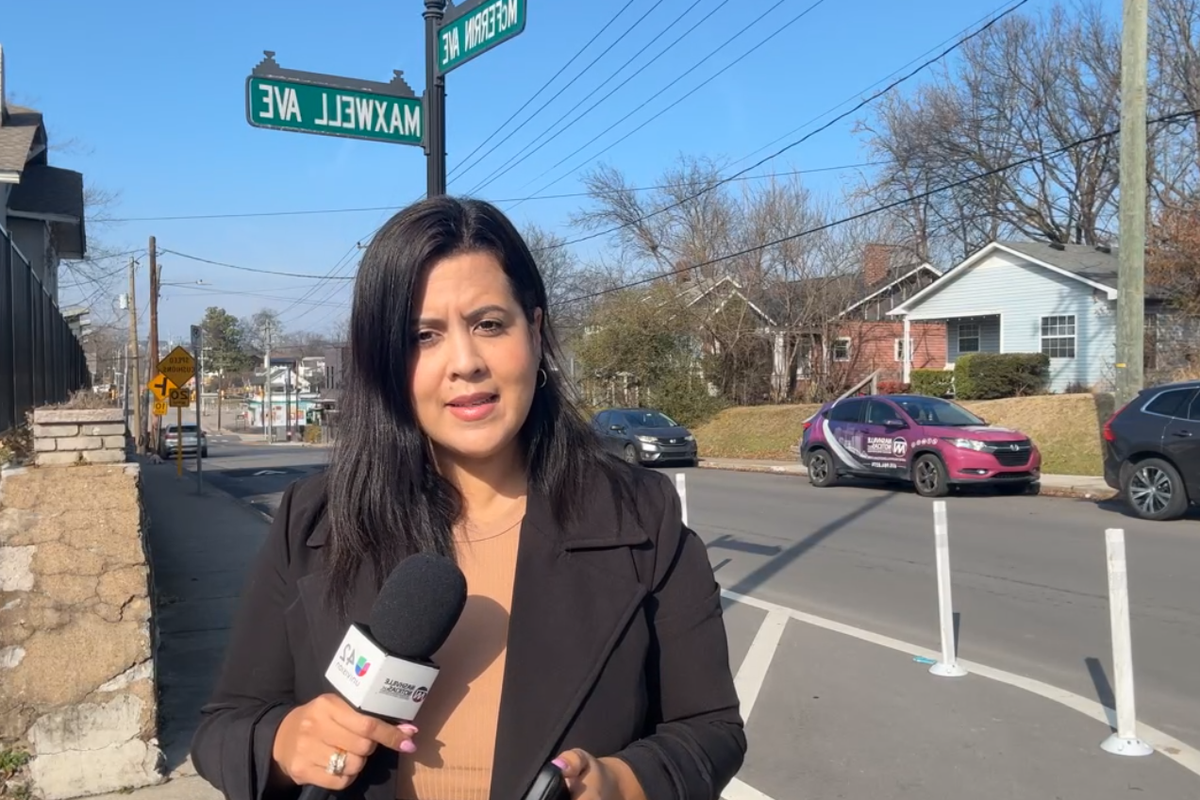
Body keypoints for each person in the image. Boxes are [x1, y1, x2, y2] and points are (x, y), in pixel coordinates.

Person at [190, 196, 746, 800]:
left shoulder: (643, 517)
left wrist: (623, 782)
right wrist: (283, 740)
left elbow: (710, 730)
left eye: (488, 324)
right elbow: (223, 728)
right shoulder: (313, 523)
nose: (464, 363)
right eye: (423, 336)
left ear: (533, 332)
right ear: (386, 364)